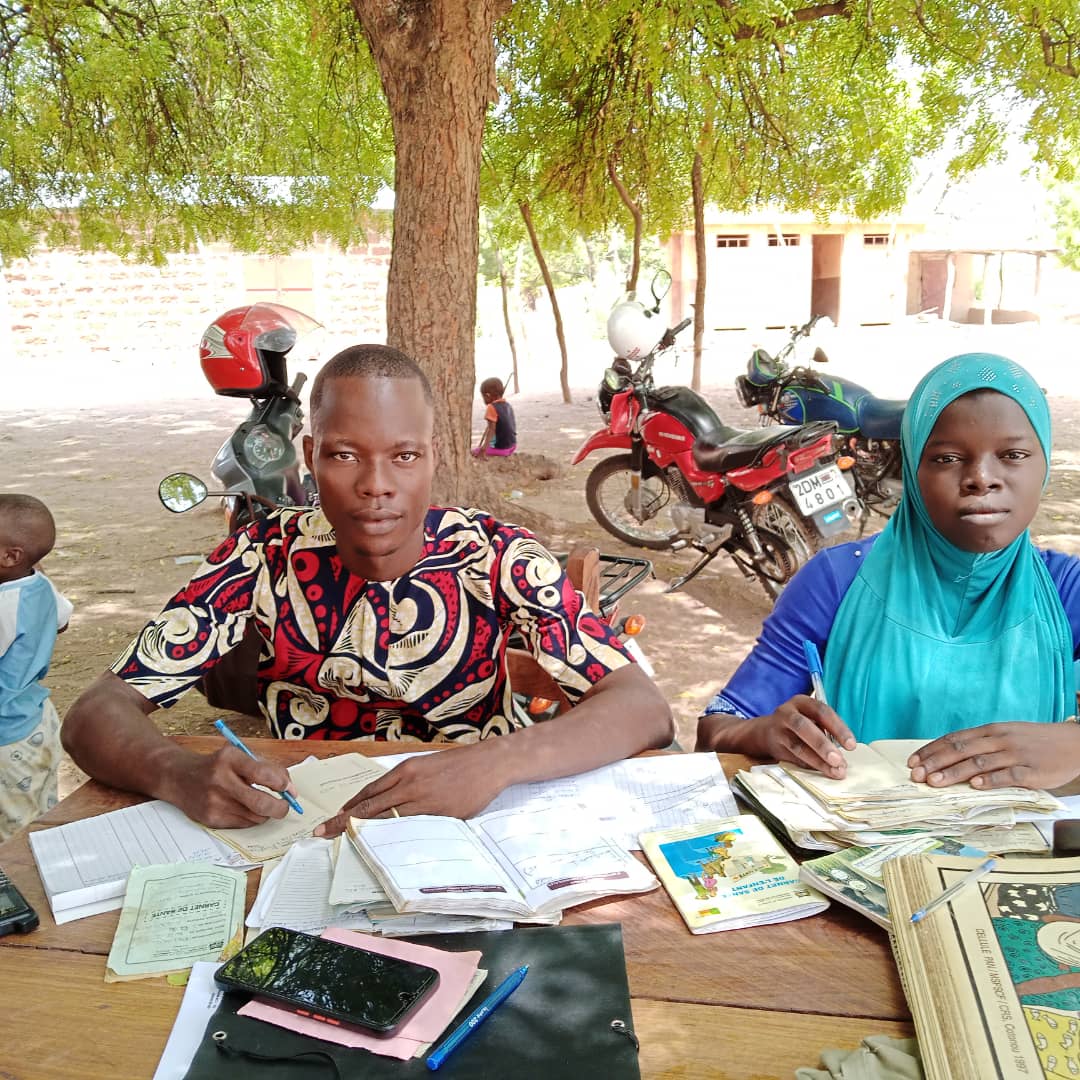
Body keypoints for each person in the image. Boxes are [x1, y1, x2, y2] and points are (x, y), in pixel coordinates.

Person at [64, 345, 672, 830]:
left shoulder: (498, 556)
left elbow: (642, 707)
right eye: (345, 455)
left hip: (475, 832)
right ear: (309, 455)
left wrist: (498, 762)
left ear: (436, 457)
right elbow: (94, 715)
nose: (376, 485)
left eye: (404, 456)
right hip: (304, 833)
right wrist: (179, 773)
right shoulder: (260, 556)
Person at [697, 352, 1080, 793]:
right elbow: (716, 730)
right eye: (946, 458)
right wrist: (762, 733)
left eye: (1013, 454)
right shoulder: (836, 583)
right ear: (912, 469)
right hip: (859, 854)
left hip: (1018, 859)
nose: (981, 478)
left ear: (1044, 464)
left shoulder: (1065, 591)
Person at [0, 494, 72, 841]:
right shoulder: (39, 582)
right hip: (38, 721)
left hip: (7, 738)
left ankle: (19, 889)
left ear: (9, 556)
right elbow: (62, 620)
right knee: (40, 810)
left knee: (14, 832)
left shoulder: (3, 606)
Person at [471, 377, 517, 457]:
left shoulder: (491, 407)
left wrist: (484, 448)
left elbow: (491, 430)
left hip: (502, 449)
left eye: (483, 397)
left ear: (488, 395)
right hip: (513, 446)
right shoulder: (507, 405)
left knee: (474, 452)